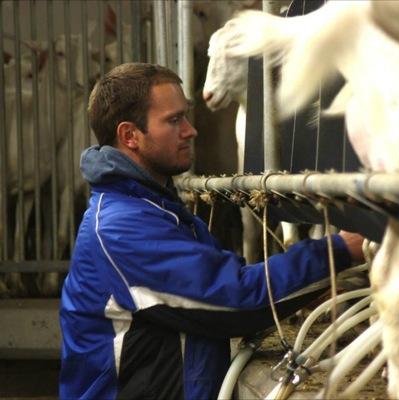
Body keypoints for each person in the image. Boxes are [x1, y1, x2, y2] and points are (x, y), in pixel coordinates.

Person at [59, 62, 364, 400]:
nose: (191, 130)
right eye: (174, 120)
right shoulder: (121, 228)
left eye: (185, 116)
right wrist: (338, 250)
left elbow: (213, 286)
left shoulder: (155, 208)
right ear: (130, 135)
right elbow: (234, 300)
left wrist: (308, 287)